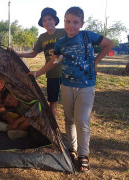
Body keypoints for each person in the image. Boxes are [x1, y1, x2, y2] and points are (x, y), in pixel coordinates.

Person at [29, 7, 114, 173]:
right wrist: (37, 73)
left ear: (81, 23)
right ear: (65, 21)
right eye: (68, 21)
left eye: (75, 22)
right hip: (66, 85)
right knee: (69, 119)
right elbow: (54, 61)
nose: (71, 25)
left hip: (86, 85)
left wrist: (96, 61)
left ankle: (84, 154)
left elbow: (109, 44)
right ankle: (72, 148)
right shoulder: (60, 43)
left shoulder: (88, 36)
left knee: (82, 120)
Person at [16, 7, 66, 118]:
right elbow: (33, 54)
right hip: (52, 73)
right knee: (53, 101)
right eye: (44, 20)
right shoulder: (42, 37)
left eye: (49, 19)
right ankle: (53, 127)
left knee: (68, 103)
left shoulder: (63, 32)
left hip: (68, 73)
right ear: (42, 23)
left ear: (55, 20)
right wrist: (17, 54)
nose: (47, 22)